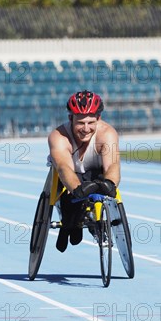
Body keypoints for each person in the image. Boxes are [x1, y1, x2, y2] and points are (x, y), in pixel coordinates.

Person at [48, 89, 120, 252]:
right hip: (70, 178)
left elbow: (112, 165)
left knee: (105, 180)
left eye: (90, 122)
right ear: (70, 118)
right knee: (70, 207)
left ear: (98, 119)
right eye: (80, 123)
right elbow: (63, 167)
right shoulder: (58, 136)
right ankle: (70, 219)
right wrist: (77, 189)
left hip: (97, 173)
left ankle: (89, 218)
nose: (86, 128)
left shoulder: (107, 133)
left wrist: (110, 184)